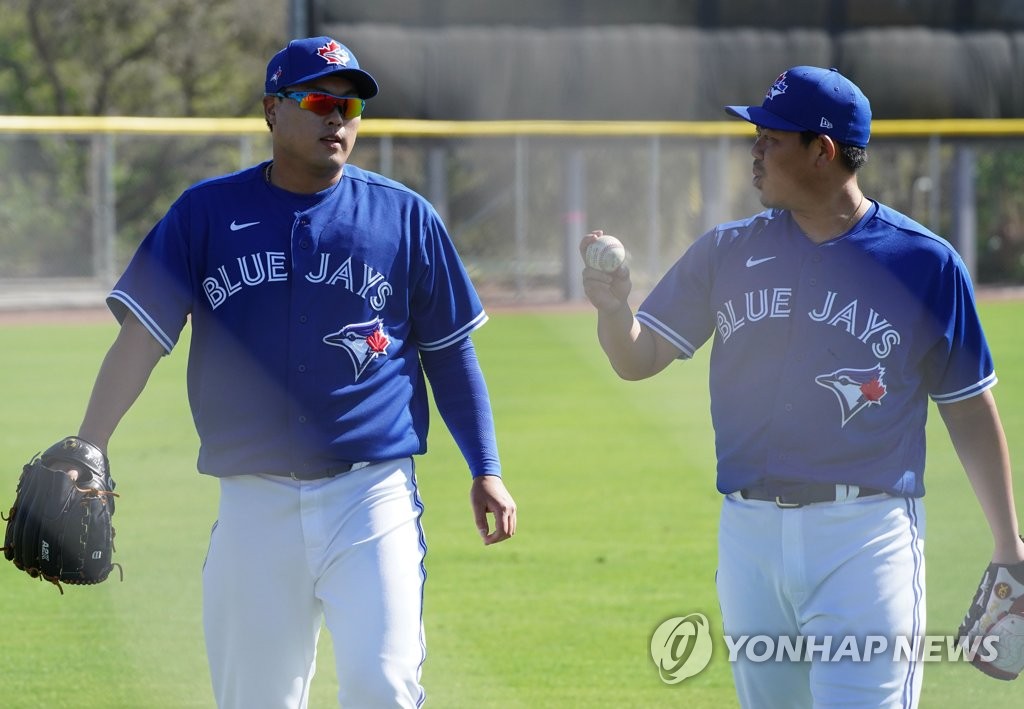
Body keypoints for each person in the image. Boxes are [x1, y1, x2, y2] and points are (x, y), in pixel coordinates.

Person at [73, 36, 516, 708]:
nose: (337, 117)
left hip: (372, 499)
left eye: (350, 105)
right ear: (272, 111)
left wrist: (486, 465)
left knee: (383, 686)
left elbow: (450, 352)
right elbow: (142, 339)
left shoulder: (405, 218)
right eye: (317, 100)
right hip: (253, 503)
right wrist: (90, 443)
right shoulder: (204, 214)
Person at [580, 66, 1024, 707]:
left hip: (865, 538)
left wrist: (1008, 542)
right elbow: (636, 358)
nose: (755, 150)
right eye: (756, 135)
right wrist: (614, 309)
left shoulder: (923, 263)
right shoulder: (726, 251)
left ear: (824, 151)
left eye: (772, 138)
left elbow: (968, 408)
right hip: (749, 537)